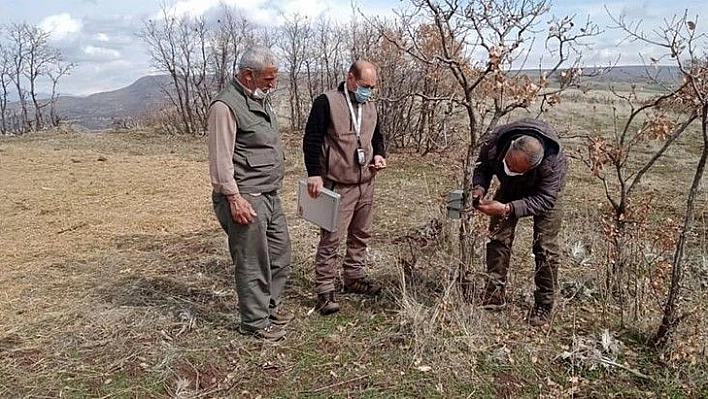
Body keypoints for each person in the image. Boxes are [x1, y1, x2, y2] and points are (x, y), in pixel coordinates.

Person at [208, 45, 292, 341]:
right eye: (268, 79)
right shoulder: (225, 106)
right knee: (252, 261)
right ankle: (255, 323)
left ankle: (268, 308)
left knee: (280, 255)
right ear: (248, 75)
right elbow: (220, 160)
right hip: (245, 197)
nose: (273, 84)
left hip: (269, 194)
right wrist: (234, 198)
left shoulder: (259, 99)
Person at [303, 60, 387, 315]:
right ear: (350, 78)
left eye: (372, 87)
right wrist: (315, 174)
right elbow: (312, 140)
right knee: (332, 238)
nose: (368, 92)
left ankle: (354, 276)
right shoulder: (326, 102)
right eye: (364, 86)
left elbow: (377, 137)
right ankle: (325, 290)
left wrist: (379, 156)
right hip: (338, 184)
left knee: (361, 234)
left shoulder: (370, 105)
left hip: (366, 182)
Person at [472, 118, 568, 327]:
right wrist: (479, 187)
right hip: (510, 189)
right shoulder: (494, 142)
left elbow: (546, 199)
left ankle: (544, 304)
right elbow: (482, 168)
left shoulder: (554, 163)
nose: (508, 169)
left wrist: (508, 208)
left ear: (533, 165)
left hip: (544, 196)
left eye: (516, 169)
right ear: (510, 146)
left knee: (545, 248)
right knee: (498, 237)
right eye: (507, 164)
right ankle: (493, 295)